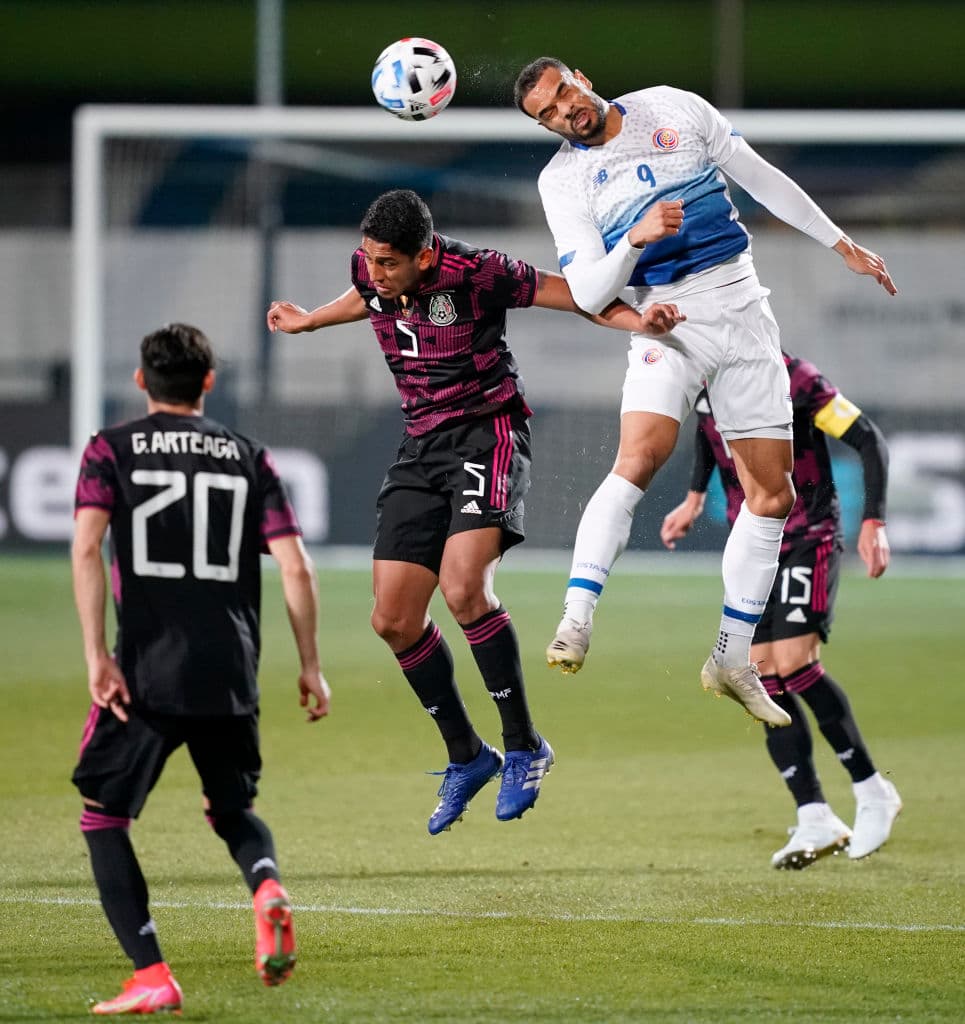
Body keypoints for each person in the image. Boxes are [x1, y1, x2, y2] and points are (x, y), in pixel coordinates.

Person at [267, 188, 683, 836]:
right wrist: (312, 320)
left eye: (387, 264)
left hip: (486, 434)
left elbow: (571, 293)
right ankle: (467, 755)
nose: (374, 274)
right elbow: (366, 299)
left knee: (463, 588)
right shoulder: (369, 273)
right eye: (369, 260)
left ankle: (522, 745)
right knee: (393, 618)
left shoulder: (478, 272)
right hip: (419, 448)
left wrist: (640, 321)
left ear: (425, 256)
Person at [513, 57, 897, 727]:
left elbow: (758, 178)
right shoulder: (564, 180)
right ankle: (576, 617)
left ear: (578, 76)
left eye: (562, 96)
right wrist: (633, 240)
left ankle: (730, 656)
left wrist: (840, 244)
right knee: (637, 459)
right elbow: (586, 294)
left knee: (771, 497)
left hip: (744, 310)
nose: (562, 115)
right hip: (664, 317)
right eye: (545, 115)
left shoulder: (670, 107)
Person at [72, 323, 331, 1015]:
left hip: (145, 669)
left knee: (104, 819)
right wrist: (310, 665)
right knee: (232, 809)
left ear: (139, 381)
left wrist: (98, 655)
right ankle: (267, 884)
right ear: (209, 382)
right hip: (230, 668)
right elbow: (296, 567)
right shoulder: (249, 455)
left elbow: (87, 548)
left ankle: (151, 973)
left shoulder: (110, 449)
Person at [660, 351, 902, 868]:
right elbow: (708, 430)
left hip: (807, 536)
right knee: (759, 675)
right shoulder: (706, 378)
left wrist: (874, 522)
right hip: (753, 546)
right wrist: (694, 496)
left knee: (795, 662)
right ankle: (814, 814)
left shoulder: (794, 378)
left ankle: (871, 788)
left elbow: (867, 439)